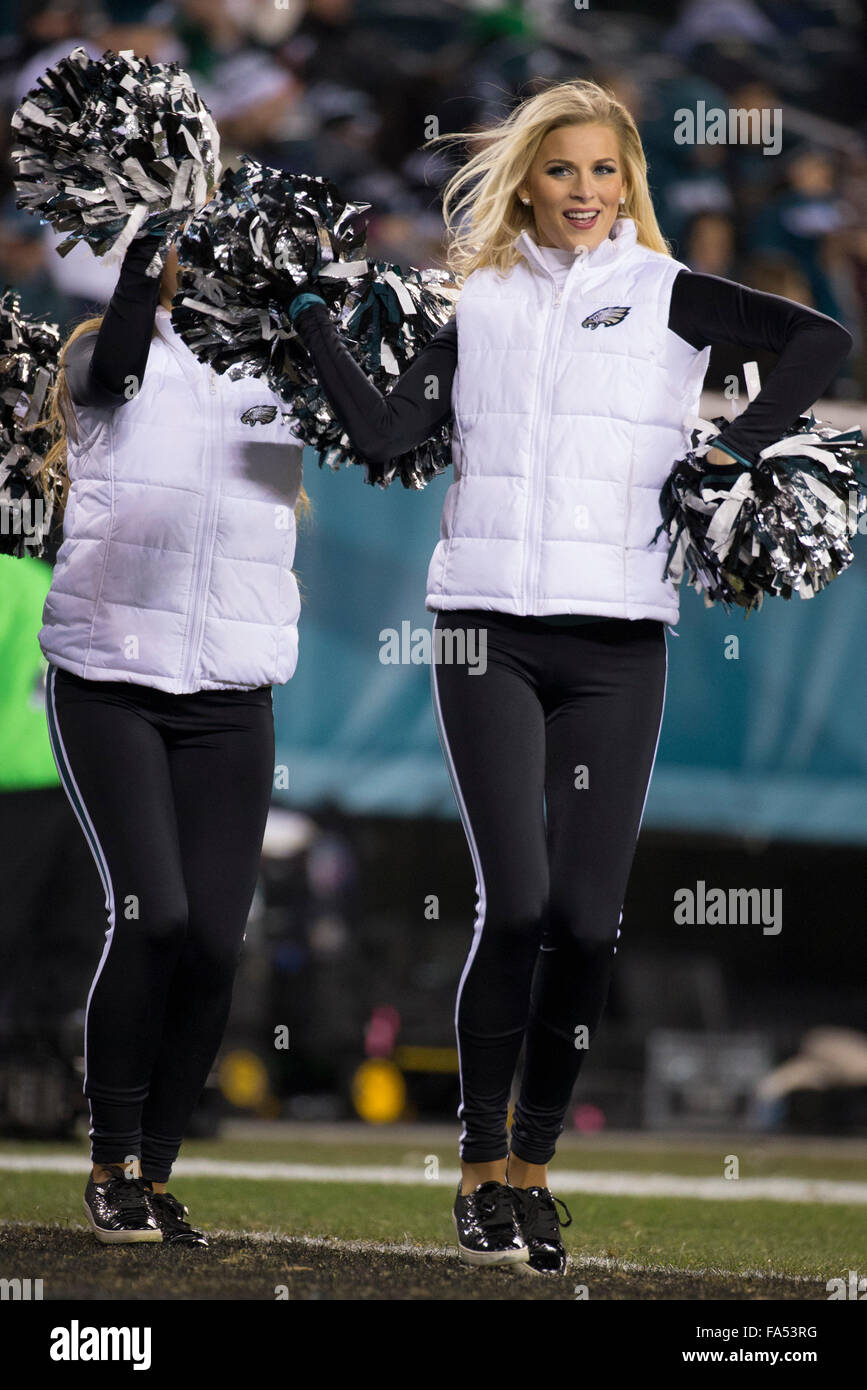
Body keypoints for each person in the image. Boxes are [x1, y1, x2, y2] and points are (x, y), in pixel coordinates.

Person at [283, 78, 853, 1274]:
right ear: (527, 181)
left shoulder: (667, 293)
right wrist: (310, 321)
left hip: (617, 641)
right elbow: (388, 439)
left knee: (589, 924)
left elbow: (821, 342)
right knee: (523, 905)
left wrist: (730, 448)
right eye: (561, 171)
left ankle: (533, 1167)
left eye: (604, 172)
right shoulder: (474, 299)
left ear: (627, 182)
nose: (584, 192)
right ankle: (477, 1166)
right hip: (484, 630)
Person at [36, 223, 309, 1245]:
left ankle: (155, 1169)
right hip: (111, 681)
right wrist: (153, 227)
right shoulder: (111, 349)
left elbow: (265, 522)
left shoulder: (276, 383)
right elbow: (113, 371)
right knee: (150, 917)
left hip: (232, 697)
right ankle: (107, 1157)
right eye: (199, 248)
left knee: (211, 941)